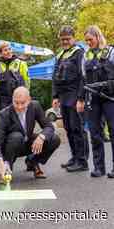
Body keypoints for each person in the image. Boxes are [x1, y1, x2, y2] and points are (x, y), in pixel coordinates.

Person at [0, 87, 60, 183]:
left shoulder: (35, 106)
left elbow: (49, 127)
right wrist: (0, 162)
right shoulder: (4, 114)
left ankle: (32, 162)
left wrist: (41, 137)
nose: (19, 107)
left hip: (27, 142)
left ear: (29, 100)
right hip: (10, 147)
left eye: (23, 103)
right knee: (17, 136)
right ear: (12, 100)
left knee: (54, 139)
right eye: (16, 102)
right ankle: (7, 169)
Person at [52, 25, 89, 172]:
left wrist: (81, 98)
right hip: (63, 96)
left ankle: (82, 161)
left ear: (73, 38)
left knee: (77, 128)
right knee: (68, 128)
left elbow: (83, 77)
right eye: (62, 39)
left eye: (67, 39)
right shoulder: (60, 55)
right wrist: (55, 96)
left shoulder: (79, 53)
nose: (65, 42)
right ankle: (74, 157)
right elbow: (55, 77)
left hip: (75, 95)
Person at [80, 25, 114, 178]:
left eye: (90, 39)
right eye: (86, 40)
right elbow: (83, 79)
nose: (88, 42)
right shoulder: (85, 56)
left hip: (109, 98)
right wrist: (80, 99)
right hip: (92, 97)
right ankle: (99, 168)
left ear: (98, 36)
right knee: (95, 133)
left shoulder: (111, 52)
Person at [0, 42, 30, 111]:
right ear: (1, 53)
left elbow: (27, 80)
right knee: (6, 119)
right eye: (5, 50)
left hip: (19, 98)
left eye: (9, 49)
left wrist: (26, 93)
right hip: (5, 99)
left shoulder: (21, 63)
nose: (8, 52)